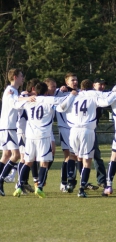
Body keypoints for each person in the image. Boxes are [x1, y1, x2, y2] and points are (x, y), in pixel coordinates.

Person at [56, 83, 116, 198]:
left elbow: (60, 108)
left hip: (74, 130)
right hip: (87, 131)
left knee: (72, 156)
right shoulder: (93, 95)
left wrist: (70, 96)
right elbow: (106, 102)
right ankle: (81, 188)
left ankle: (71, 181)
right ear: (90, 87)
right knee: (87, 161)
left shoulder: (72, 95)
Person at [12, 82, 76, 198]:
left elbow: (15, 104)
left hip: (30, 136)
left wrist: (25, 97)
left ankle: (20, 186)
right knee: (44, 163)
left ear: (35, 91)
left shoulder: (29, 101)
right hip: (44, 136)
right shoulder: (49, 100)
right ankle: (39, 187)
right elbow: (62, 106)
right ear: (46, 92)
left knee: (28, 162)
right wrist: (72, 95)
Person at [0, 68, 35, 196]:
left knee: (6, 155)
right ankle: (1, 180)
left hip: (6, 126)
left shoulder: (14, 91)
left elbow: (16, 100)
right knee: (16, 155)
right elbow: (14, 103)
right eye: (21, 76)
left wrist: (24, 98)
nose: (23, 78)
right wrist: (27, 99)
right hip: (8, 127)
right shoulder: (10, 90)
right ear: (15, 77)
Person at [54, 72, 79, 193]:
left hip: (76, 129)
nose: (75, 82)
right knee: (68, 156)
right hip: (64, 128)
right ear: (66, 82)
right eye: (72, 80)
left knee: (78, 156)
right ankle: (64, 182)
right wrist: (60, 88)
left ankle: (73, 180)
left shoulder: (79, 93)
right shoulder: (59, 92)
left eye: (76, 80)